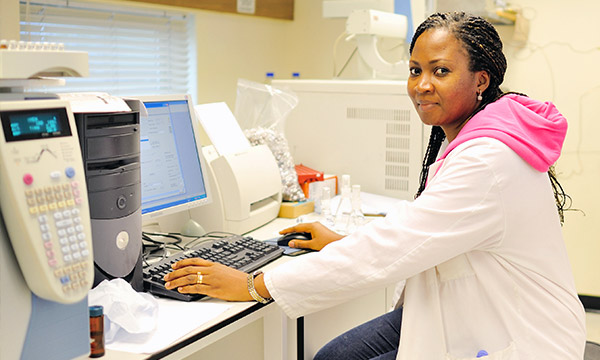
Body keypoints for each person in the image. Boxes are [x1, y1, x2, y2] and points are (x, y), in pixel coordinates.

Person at [163, 11, 586, 359]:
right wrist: (344, 238)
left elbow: (400, 244)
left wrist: (254, 286)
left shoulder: (487, 159)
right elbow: (425, 226)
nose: (422, 85)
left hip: (519, 334)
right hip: (469, 303)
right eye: (416, 70)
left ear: (481, 80)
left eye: (441, 71)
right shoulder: (478, 135)